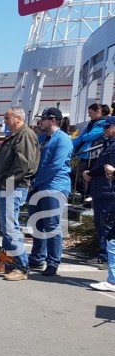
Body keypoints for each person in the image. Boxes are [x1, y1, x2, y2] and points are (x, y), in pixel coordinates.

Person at [0, 106, 40, 281]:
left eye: (7, 118)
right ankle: (10, 263)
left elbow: (24, 165)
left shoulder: (25, 135)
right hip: (7, 187)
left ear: (18, 118)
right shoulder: (16, 136)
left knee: (10, 228)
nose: (5, 121)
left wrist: (7, 184)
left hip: (13, 187)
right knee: (7, 228)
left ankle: (21, 267)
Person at [28, 107, 73, 276]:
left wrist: (35, 182)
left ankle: (53, 262)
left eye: (44, 119)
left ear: (53, 121)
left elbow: (55, 165)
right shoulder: (42, 138)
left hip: (54, 186)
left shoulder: (63, 139)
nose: (41, 122)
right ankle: (37, 258)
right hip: (38, 186)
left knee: (52, 225)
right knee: (37, 224)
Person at [83, 116, 115, 266]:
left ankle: (106, 256)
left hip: (108, 190)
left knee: (105, 225)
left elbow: (107, 167)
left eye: (107, 127)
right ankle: (104, 254)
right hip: (101, 190)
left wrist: (90, 173)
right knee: (101, 224)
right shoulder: (108, 143)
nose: (104, 130)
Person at [73, 103, 108, 202]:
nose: (89, 115)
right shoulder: (91, 123)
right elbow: (83, 136)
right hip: (86, 153)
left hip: (94, 154)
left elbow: (90, 135)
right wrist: (73, 144)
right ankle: (86, 195)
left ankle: (88, 195)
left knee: (80, 174)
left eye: (90, 113)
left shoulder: (104, 123)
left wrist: (82, 138)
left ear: (98, 112)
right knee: (80, 175)